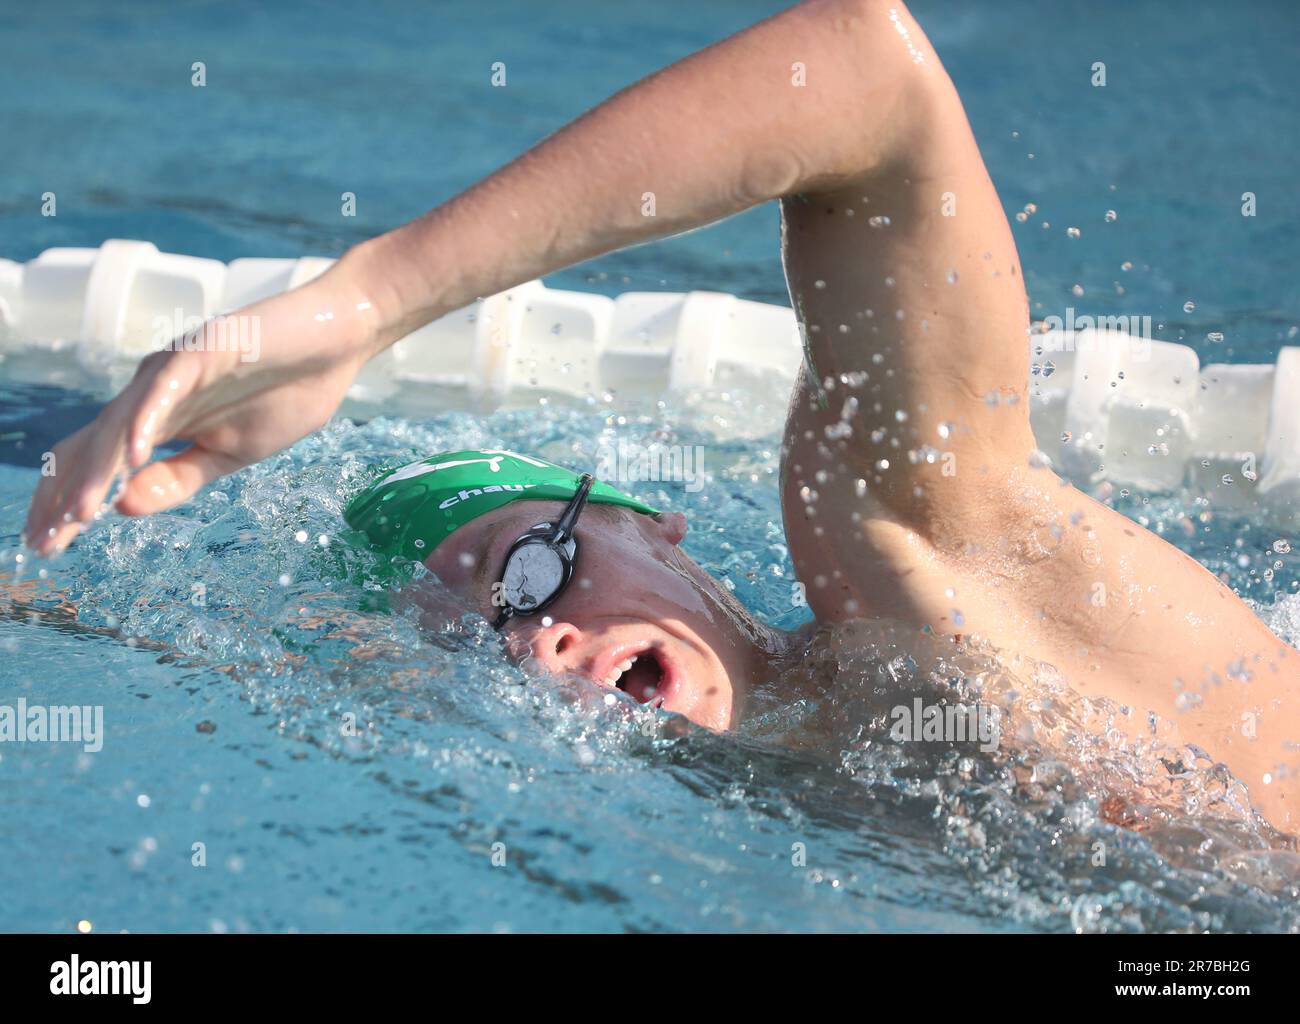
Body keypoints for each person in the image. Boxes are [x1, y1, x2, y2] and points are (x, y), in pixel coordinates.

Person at [21, 0, 1297, 830]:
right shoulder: (796, 816)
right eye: (478, 650)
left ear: (659, 525)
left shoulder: (910, 567)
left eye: (524, 565)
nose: (530, 646)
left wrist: (368, 300)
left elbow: (865, 78)